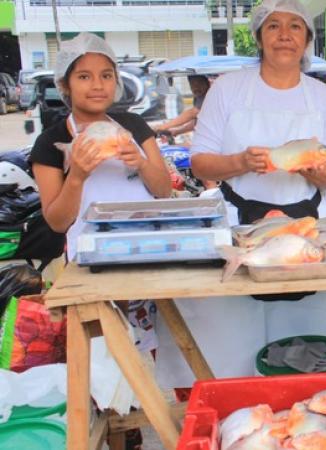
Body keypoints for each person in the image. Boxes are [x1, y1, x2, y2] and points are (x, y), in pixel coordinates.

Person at [153, 0, 326, 389]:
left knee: (316, 329)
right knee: (225, 336)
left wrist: (310, 166)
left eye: (295, 27)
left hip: (307, 222)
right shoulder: (229, 89)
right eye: (274, 26)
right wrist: (241, 161)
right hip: (238, 219)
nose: (285, 35)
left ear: (308, 39)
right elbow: (200, 163)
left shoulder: (325, 96)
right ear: (259, 38)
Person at [29, 32, 172, 450]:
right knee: (99, 364)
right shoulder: (51, 141)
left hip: (144, 257)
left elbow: (163, 190)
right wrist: (78, 175)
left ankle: (134, 435)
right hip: (90, 268)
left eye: (107, 75)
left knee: (140, 355)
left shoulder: (131, 126)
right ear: (65, 86)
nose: (98, 85)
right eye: (85, 76)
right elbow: (56, 221)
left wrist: (141, 162)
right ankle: (111, 435)